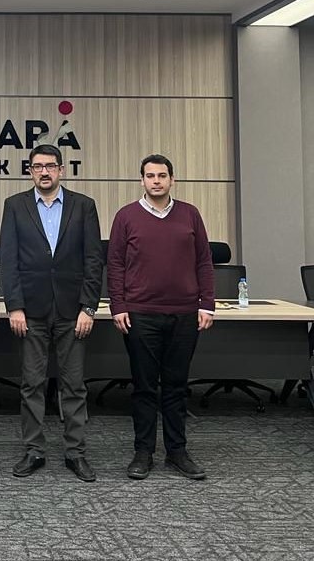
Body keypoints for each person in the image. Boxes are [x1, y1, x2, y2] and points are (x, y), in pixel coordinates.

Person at [0, 144, 103, 482]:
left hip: (73, 311)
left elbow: (93, 260)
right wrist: (14, 306)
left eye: (50, 166)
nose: (44, 172)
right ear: (30, 170)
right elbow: (9, 261)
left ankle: (76, 452)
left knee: (74, 385)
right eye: (38, 166)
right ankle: (34, 450)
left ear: (61, 170)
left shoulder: (84, 206)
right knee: (32, 384)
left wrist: (89, 307)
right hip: (31, 311)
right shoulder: (14, 205)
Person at [107, 154, 214, 481]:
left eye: (162, 175)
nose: (156, 181)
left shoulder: (190, 214)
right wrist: (118, 305)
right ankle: (143, 452)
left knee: (176, 386)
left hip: (184, 314)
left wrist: (207, 303)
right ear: (142, 180)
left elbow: (204, 261)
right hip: (140, 315)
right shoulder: (126, 216)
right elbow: (115, 264)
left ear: (172, 179)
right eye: (150, 176)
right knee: (143, 387)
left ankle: (177, 452)